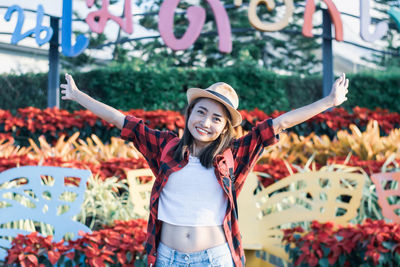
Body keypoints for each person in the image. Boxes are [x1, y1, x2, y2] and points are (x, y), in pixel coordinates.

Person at [60, 73, 349, 267]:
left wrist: (329, 102)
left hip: (214, 258)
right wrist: (78, 95)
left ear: (225, 127)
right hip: (166, 257)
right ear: (189, 113)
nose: (206, 123)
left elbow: (279, 124)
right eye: (201, 112)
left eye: (216, 119)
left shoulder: (234, 154)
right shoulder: (165, 147)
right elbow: (122, 121)